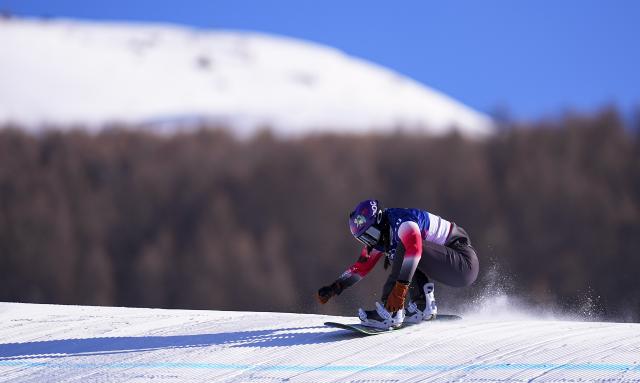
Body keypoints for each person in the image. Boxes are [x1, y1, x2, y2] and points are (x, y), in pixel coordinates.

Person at [316, 199, 479, 329]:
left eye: (370, 234)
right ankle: (422, 306)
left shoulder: (401, 222)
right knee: (401, 250)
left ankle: (391, 312)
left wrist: (399, 290)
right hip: (453, 264)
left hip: (463, 263)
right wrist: (336, 287)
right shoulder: (381, 236)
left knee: (405, 247)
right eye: (364, 238)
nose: (370, 241)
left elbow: (415, 248)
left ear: (379, 220)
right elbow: (362, 266)